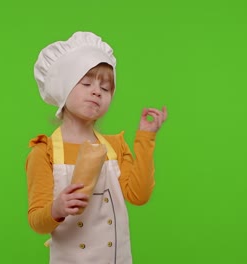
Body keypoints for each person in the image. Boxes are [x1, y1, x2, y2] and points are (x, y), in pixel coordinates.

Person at [26, 31, 168, 264]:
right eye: (86, 83)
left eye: (106, 88)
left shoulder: (114, 147)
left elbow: (139, 196)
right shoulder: (44, 152)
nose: (97, 91)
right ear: (63, 87)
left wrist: (146, 138)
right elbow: (37, 222)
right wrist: (57, 208)